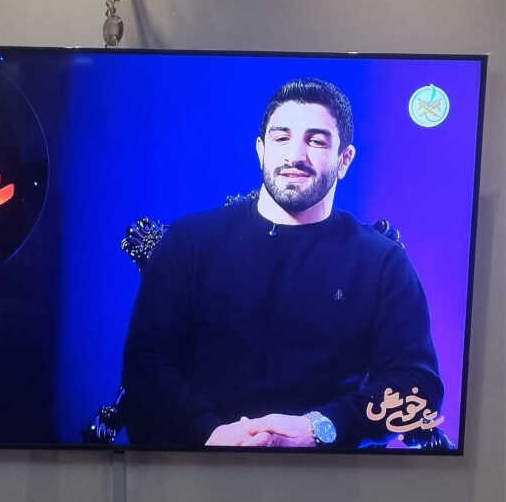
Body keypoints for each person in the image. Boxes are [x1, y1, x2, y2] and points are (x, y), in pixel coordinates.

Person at [122, 77, 443, 449]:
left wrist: (320, 428)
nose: (295, 156)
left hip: (331, 473)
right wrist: (209, 433)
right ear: (261, 150)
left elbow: (418, 387)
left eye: (316, 141)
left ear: (344, 160)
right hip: (198, 465)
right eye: (281, 138)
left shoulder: (382, 262)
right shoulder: (189, 241)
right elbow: (146, 365)